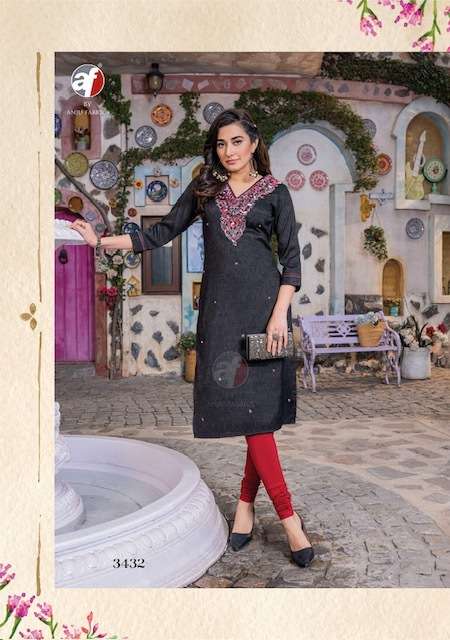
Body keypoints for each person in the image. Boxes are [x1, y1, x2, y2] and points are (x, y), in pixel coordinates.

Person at [70, 107, 314, 569]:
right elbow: (159, 234)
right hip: (220, 318)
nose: (229, 151)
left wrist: (279, 315)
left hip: (266, 314)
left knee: (259, 416)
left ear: (253, 143)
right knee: (251, 415)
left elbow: (292, 262)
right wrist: (99, 241)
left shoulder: (276, 193)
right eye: (221, 144)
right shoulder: (206, 189)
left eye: (237, 142)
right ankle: (266, 512)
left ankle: (280, 517)